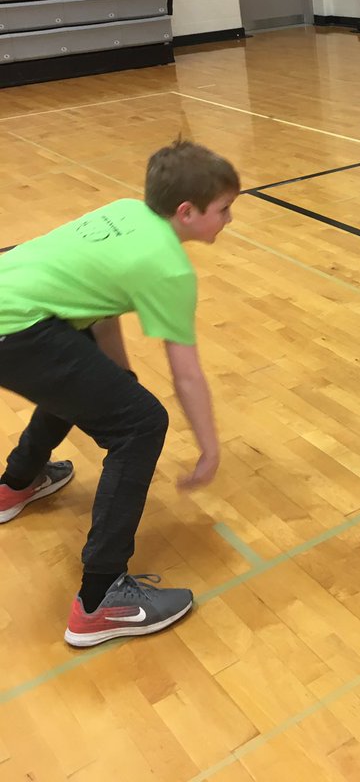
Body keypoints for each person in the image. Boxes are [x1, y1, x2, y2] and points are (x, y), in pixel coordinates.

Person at [0, 139, 240, 646]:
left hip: (15, 302)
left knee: (100, 386)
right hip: (14, 329)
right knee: (141, 424)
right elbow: (186, 374)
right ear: (187, 211)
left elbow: (99, 314)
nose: (229, 219)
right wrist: (210, 449)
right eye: (223, 209)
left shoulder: (127, 212)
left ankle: (16, 483)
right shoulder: (168, 267)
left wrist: (120, 381)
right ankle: (101, 599)